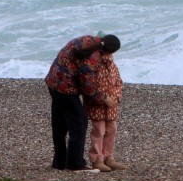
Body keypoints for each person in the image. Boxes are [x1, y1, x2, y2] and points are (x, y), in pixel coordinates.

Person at [44, 34, 121, 173]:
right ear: (109, 52)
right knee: (79, 123)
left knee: (59, 124)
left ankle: (59, 162)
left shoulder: (87, 40)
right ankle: (75, 164)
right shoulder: (93, 56)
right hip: (66, 88)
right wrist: (103, 97)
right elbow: (88, 84)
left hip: (53, 81)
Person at [85, 45, 126, 172]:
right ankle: (97, 159)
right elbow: (89, 86)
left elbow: (118, 82)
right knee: (99, 131)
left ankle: (108, 157)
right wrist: (103, 98)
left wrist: (117, 97)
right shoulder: (94, 64)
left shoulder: (113, 65)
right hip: (97, 105)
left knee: (112, 130)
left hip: (112, 105)